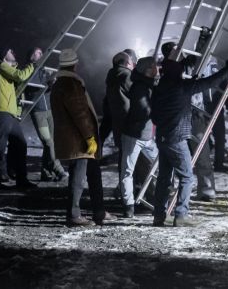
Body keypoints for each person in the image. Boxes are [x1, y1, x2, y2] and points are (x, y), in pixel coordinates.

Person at [150, 47, 228, 227]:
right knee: (187, 177)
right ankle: (181, 214)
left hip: (162, 138)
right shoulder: (183, 87)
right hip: (177, 138)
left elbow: (155, 116)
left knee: (165, 178)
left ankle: (159, 215)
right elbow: (211, 82)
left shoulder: (159, 88)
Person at [51, 48, 115, 226]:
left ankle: (99, 211)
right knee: (78, 178)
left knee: (93, 174)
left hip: (75, 139)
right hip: (78, 141)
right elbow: (80, 114)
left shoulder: (59, 83)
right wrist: (89, 137)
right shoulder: (71, 84)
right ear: (75, 64)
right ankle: (73, 215)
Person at [0, 46, 41, 189]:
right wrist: (32, 64)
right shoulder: (1, 66)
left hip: (10, 113)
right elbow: (20, 75)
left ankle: (21, 180)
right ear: (4, 55)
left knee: (20, 145)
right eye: (10, 51)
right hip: (2, 111)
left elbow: (18, 82)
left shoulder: (7, 69)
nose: (13, 52)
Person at [120, 57, 160, 218]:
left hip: (147, 135)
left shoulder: (149, 84)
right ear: (146, 70)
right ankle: (128, 205)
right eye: (154, 66)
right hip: (135, 135)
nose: (157, 69)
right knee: (127, 171)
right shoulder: (140, 87)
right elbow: (144, 110)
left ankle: (154, 197)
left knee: (158, 166)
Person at [23, 51, 67, 182]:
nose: (41, 54)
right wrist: (48, 83)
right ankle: (58, 170)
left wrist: (53, 84)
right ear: (31, 55)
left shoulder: (44, 70)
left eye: (42, 52)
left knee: (52, 143)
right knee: (48, 142)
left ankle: (45, 172)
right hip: (38, 112)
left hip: (49, 110)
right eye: (37, 52)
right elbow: (32, 87)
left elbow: (47, 89)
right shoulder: (28, 69)